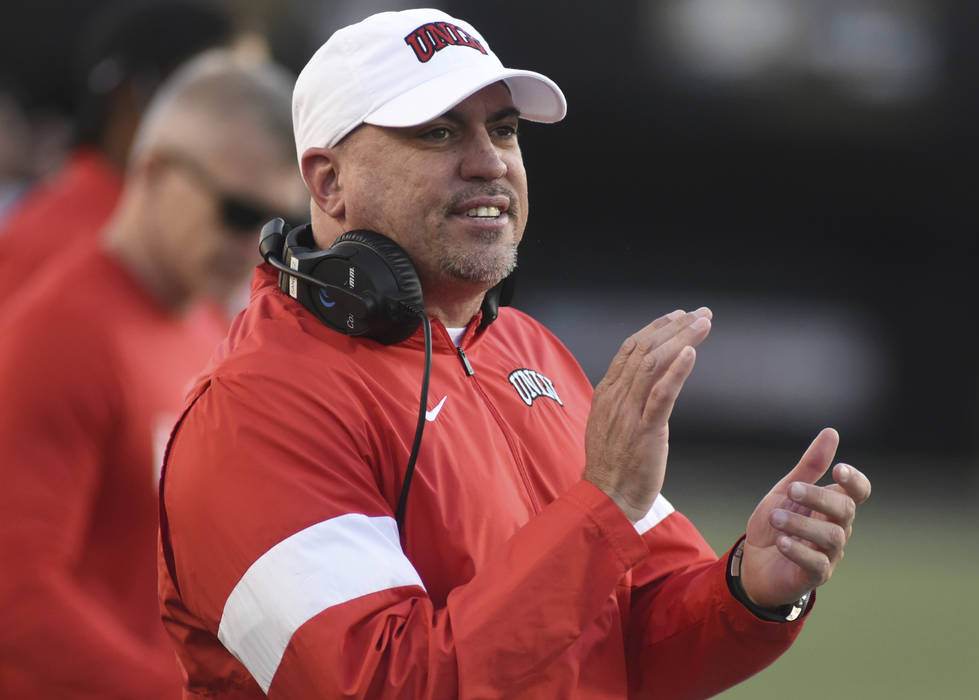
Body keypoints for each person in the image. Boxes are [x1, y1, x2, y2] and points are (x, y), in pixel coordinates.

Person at [159, 9, 872, 699]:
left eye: (503, 129)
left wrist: (750, 588)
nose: (489, 161)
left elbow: (625, 641)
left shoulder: (527, 349)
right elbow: (392, 684)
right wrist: (605, 506)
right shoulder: (257, 410)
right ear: (327, 181)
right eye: (438, 133)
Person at [0, 51, 304, 698]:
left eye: (276, 227)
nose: (254, 247)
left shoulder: (206, 327)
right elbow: (15, 600)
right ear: (156, 170)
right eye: (237, 212)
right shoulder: (62, 336)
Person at [0, 0, 234, 306]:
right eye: (214, 99)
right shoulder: (50, 243)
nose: (235, 124)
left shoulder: (182, 237)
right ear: (131, 98)